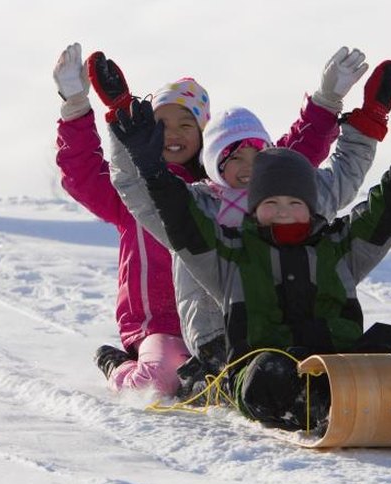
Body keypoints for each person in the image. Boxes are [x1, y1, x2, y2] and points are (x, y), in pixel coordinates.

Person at [110, 86, 391, 430]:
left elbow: (383, 213)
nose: (282, 212)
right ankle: (318, 408)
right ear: (254, 208)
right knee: (268, 374)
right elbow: (179, 218)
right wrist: (153, 171)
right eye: (270, 204)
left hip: (335, 362)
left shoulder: (337, 247)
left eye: (294, 203)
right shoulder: (231, 255)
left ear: (311, 207)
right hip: (258, 363)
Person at [52, 43, 367, 395]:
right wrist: (76, 105)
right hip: (162, 327)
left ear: (205, 135)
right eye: (161, 124)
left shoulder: (230, 187)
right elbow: (81, 172)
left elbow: (291, 157)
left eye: (186, 124)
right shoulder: (133, 195)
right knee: (155, 383)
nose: (173, 133)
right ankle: (118, 364)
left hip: (229, 322)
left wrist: (326, 100)